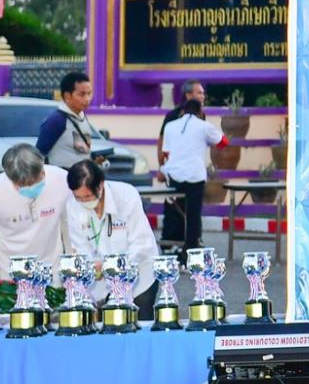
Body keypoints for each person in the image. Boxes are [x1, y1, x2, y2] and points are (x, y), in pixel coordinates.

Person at [66, 159, 159, 314]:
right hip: (100, 284)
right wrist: (91, 266)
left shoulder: (126, 196)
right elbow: (80, 246)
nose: (83, 202)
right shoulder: (72, 205)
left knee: (140, 323)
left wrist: (111, 266)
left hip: (139, 278)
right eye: (78, 197)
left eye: (87, 197)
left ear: (100, 185)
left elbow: (141, 244)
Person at [0, 143, 70, 272]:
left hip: (51, 271)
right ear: (10, 178)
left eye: (35, 182)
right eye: (23, 185)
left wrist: (71, 265)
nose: (30, 187)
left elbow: (69, 225)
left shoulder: (62, 180)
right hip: (6, 275)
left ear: (42, 169)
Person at [159, 97, 227, 250]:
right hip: (195, 177)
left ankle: (171, 245)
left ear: (182, 111)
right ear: (200, 112)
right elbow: (223, 142)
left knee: (175, 211)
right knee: (193, 215)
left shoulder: (170, 126)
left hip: (174, 176)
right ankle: (190, 248)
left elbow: (166, 153)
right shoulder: (204, 126)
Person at [36, 71, 98, 169]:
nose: (87, 99)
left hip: (82, 175)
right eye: (82, 94)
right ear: (67, 96)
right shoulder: (57, 120)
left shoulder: (82, 117)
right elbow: (38, 154)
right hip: (61, 175)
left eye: (89, 93)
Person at [157, 80, 206, 168]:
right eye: (199, 93)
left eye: (203, 93)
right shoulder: (173, 115)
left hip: (194, 167)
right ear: (188, 95)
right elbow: (162, 141)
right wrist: (161, 167)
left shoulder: (201, 115)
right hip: (175, 167)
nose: (203, 96)